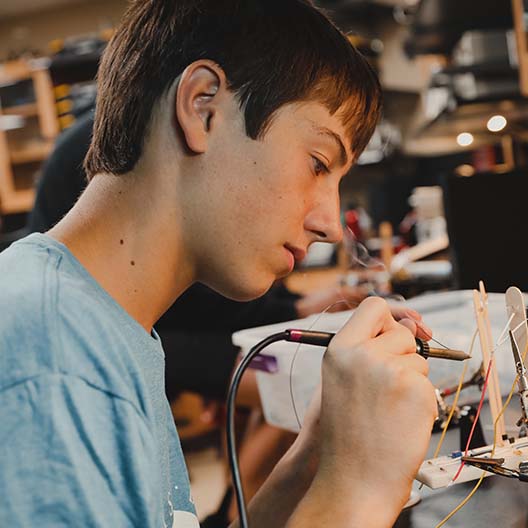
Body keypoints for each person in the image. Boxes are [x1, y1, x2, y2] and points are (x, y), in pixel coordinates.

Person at [0, 2, 437, 527]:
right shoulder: (53, 355)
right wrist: (361, 487)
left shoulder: (106, 328)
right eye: (318, 163)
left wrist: (316, 454)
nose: (328, 222)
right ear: (203, 107)